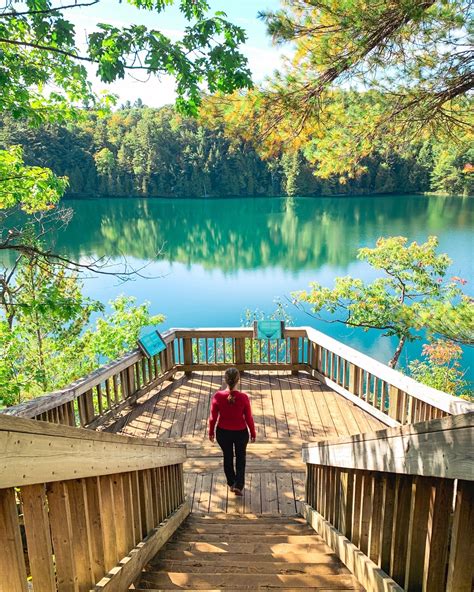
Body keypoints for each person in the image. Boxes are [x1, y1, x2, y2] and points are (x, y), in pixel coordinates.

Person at [208, 367, 256, 496]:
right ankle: (239, 485)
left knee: (227, 457)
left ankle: (231, 482)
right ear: (238, 380)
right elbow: (249, 418)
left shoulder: (218, 396)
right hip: (240, 433)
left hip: (223, 433)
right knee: (241, 458)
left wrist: (211, 432)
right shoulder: (243, 397)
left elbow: (213, 417)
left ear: (225, 380)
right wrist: (253, 432)